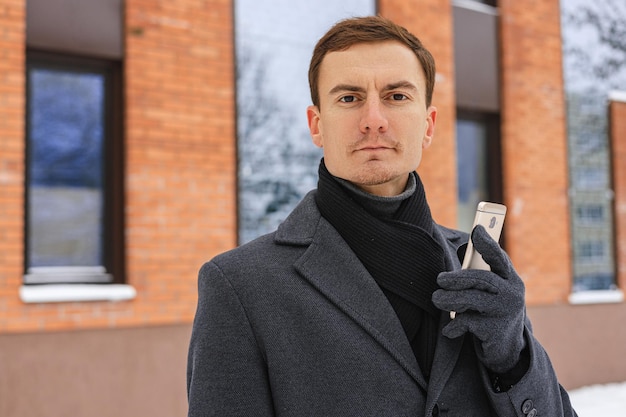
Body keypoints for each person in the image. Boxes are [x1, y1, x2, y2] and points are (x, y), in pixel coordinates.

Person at [187, 15, 578, 417]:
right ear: (316, 125)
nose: (373, 119)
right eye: (349, 98)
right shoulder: (240, 286)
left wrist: (513, 358)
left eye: (396, 96)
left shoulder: (478, 267)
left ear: (428, 125)